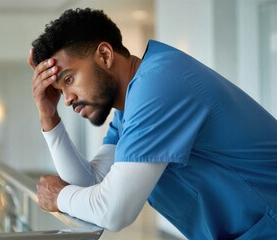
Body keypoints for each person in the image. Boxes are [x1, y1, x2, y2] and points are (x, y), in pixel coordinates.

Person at [27, 8, 277, 239]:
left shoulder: (159, 85)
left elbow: (114, 211)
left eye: (69, 79)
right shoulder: (129, 110)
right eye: (60, 90)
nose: (67, 99)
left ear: (105, 55)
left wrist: (59, 196)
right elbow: (90, 185)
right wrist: (49, 116)